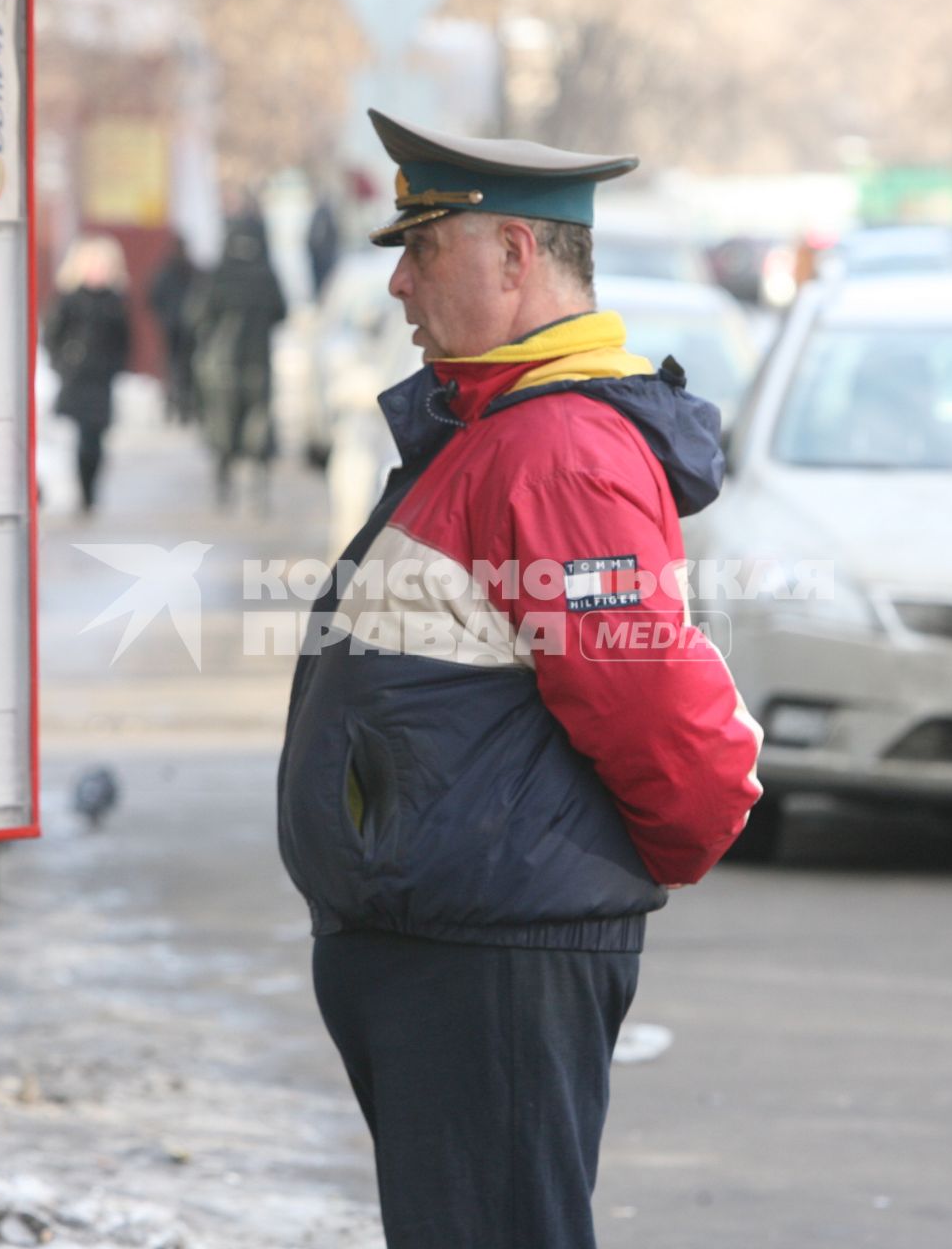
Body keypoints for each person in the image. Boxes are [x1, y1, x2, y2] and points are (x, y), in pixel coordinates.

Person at [276, 109, 765, 1248]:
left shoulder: (555, 450)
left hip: (491, 951)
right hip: (461, 941)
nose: (399, 284)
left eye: (423, 247)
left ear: (514, 256)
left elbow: (654, 707)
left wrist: (663, 848)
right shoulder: (493, 428)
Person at [187, 209, 286, 509]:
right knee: (258, 422)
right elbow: (281, 312)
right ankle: (259, 490)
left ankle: (224, 487)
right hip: (257, 360)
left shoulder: (219, 274)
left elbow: (195, 315)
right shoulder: (266, 274)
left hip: (221, 364)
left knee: (223, 425)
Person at [46, 235, 133, 515]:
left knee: (96, 437)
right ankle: (84, 493)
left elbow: (124, 340)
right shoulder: (69, 299)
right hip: (76, 376)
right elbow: (53, 336)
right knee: (79, 436)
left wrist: (115, 366)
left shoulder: (115, 301)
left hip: (101, 377)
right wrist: (63, 364)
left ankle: (90, 491)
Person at [146, 232, 200, 424]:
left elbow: (152, 297)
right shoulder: (191, 272)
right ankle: (180, 404)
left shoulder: (167, 271)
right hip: (186, 327)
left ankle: (175, 403)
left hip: (174, 327)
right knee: (184, 367)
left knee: (173, 366)